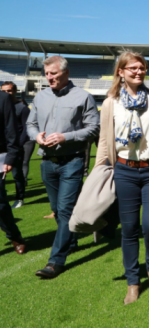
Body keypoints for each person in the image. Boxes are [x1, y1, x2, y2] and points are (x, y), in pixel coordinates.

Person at [95, 51, 149, 305]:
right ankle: (133, 281)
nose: (138, 71)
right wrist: (100, 171)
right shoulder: (111, 102)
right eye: (132, 68)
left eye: (142, 68)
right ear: (120, 72)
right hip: (124, 171)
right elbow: (103, 140)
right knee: (129, 229)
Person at [26, 55, 100, 279]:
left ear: (66, 73)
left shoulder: (83, 97)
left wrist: (65, 137)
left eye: (54, 74)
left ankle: (55, 261)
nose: (49, 78)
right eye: (47, 74)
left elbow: (93, 128)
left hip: (72, 162)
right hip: (47, 162)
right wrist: (36, 136)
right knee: (58, 210)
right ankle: (72, 239)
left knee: (66, 210)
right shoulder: (40, 97)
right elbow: (31, 124)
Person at [0, 90, 26, 254]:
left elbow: (11, 128)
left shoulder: (3, 98)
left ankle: (14, 236)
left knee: (0, 204)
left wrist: (11, 157)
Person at [1, 82, 30, 208]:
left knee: (17, 173)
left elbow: (26, 128)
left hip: (16, 145)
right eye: (4, 91)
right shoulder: (2, 105)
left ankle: (20, 197)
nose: (7, 93)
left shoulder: (22, 108)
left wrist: (18, 145)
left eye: (10, 90)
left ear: (15, 91)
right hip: (4, 146)